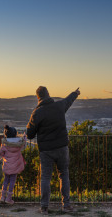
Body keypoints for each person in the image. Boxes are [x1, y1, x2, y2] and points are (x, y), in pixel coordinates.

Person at [26, 86, 80, 215]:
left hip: (46, 151)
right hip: (62, 147)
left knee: (45, 177)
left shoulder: (37, 113)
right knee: (64, 174)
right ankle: (66, 205)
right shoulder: (59, 106)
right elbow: (68, 100)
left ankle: (44, 207)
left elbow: (29, 135)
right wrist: (75, 93)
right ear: (48, 94)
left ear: (38, 97)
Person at [0, 125, 26, 204]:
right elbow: (23, 144)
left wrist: (4, 156)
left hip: (7, 164)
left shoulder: (4, 144)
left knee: (6, 180)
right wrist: (24, 137)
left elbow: (1, 153)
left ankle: (2, 197)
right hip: (16, 165)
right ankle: (9, 198)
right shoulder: (18, 143)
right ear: (15, 134)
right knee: (12, 181)